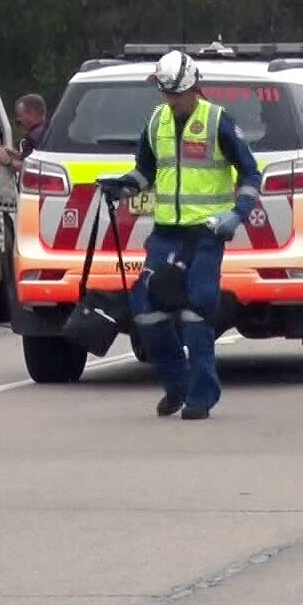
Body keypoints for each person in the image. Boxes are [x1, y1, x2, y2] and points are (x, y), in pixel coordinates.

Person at [96, 52, 261, 421]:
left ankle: (202, 395)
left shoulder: (218, 121)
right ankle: (176, 384)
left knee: (195, 309)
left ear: (192, 88)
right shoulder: (157, 121)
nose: (169, 100)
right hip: (166, 233)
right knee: (148, 311)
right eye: (165, 93)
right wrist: (122, 187)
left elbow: (250, 173)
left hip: (206, 233)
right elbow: (145, 171)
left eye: (175, 94)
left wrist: (237, 214)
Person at [0, 93, 48, 170]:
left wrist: (8, 161)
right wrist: (16, 155)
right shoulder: (46, 131)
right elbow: (31, 159)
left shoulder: (37, 136)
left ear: (32, 113)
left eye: (20, 115)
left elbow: (37, 167)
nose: (18, 119)